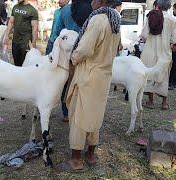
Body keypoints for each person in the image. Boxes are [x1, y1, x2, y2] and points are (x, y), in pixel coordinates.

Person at [56, 0, 121, 171]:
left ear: (101, 1)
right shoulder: (115, 19)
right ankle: (90, 155)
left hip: (88, 75)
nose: (91, 2)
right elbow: (117, 49)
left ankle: (76, 160)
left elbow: (84, 49)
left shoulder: (98, 19)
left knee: (79, 116)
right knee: (95, 115)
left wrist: (73, 58)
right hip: (104, 76)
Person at [53, 0, 93, 122]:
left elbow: (57, 30)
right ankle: (79, 111)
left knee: (66, 83)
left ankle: (66, 112)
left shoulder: (65, 10)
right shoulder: (92, 10)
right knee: (81, 82)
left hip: (66, 54)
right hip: (84, 53)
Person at [140, 0, 176, 110]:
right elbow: (174, 39)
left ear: (158, 6)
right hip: (165, 51)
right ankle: (164, 103)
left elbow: (144, 34)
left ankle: (151, 102)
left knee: (150, 74)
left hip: (150, 50)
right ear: (169, 7)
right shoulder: (173, 20)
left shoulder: (151, 16)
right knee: (164, 75)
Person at [3, 0, 38, 67]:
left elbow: (35, 28)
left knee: (25, 65)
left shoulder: (32, 10)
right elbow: (11, 22)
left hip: (26, 42)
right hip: (15, 41)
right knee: (16, 64)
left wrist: (33, 44)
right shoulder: (15, 7)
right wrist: (6, 35)